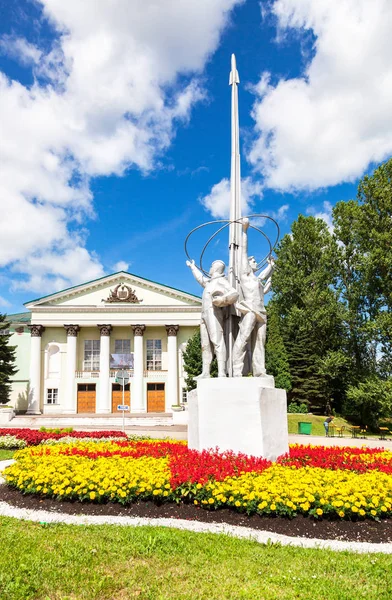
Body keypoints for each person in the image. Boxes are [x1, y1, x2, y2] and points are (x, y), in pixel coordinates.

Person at [232, 218, 275, 377]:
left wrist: (271, 266)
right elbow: (243, 250)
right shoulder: (245, 274)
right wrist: (244, 230)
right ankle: (237, 370)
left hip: (261, 312)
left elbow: (264, 275)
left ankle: (259, 371)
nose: (256, 261)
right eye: (254, 260)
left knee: (260, 342)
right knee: (243, 340)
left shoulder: (257, 280)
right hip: (250, 310)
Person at [186, 259, 239, 378]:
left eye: (210, 266)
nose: (209, 269)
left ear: (215, 269)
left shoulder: (221, 281)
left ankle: (221, 371)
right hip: (204, 315)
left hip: (214, 314)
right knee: (205, 344)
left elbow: (234, 294)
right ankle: (206, 371)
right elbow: (200, 278)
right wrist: (193, 267)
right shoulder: (210, 282)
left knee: (217, 341)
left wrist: (222, 300)